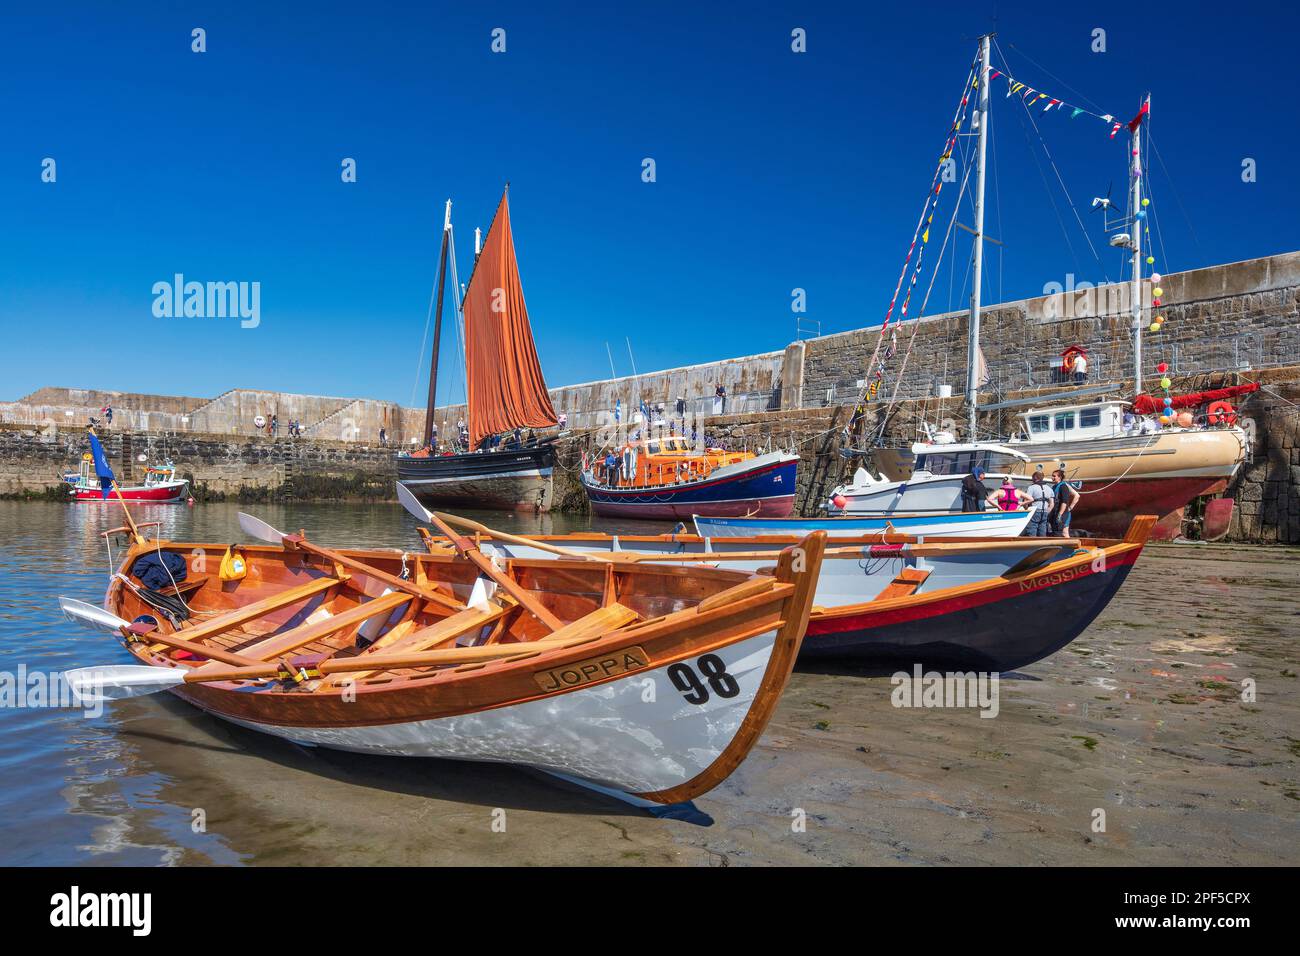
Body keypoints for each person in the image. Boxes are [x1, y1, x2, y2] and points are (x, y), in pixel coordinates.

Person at [1024, 470, 1056, 536]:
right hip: (1044, 512)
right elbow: (1052, 503)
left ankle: (1032, 543)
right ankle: (1042, 542)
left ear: (1035, 478)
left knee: (1032, 529)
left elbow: (1025, 501)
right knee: (1043, 529)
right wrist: (1047, 511)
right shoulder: (1049, 488)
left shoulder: (1031, 487)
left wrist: (1027, 510)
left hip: (1035, 511)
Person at [1050, 468, 1081, 536]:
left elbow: (1076, 496)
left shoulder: (1064, 486)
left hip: (1063, 513)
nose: (1052, 477)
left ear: (1060, 477)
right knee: (1064, 532)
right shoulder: (1054, 487)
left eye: (1054, 476)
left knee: (1064, 532)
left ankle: (1069, 545)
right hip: (1057, 512)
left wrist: (1070, 508)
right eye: (1052, 476)